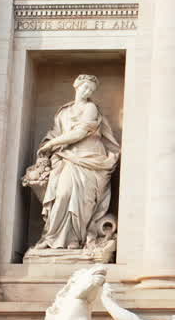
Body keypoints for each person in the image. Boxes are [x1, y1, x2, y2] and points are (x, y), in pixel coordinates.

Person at [25, 74, 120, 252]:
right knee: (62, 194)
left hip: (90, 158)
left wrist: (53, 144)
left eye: (91, 90)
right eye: (85, 87)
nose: (87, 91)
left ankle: (76, 240)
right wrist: (48, 144)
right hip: (67, 157)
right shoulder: (64, 112)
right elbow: (55, 132)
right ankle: (52, 237)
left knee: (83, 202)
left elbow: (80, 133)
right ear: (76, 85)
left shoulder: (91, 108)